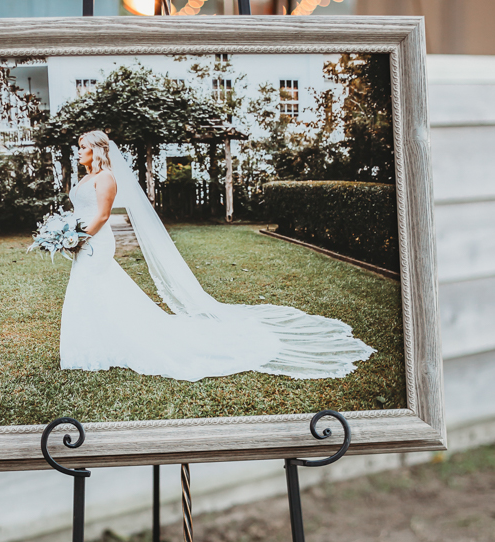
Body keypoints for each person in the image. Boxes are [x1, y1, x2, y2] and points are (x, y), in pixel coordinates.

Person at [60, 130, 374, 382]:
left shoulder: (106, 179)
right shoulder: (85, 178)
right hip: (84, 240)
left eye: (82, 146)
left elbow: (101, 216)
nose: (78, 151)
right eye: (78, 147)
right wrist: (65, 231)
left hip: (95, 241)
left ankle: (97, 346)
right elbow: (82, 211)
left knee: (92, 287)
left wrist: (76, 237)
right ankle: (96, 344)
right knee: (97, 291)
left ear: (97, 150)